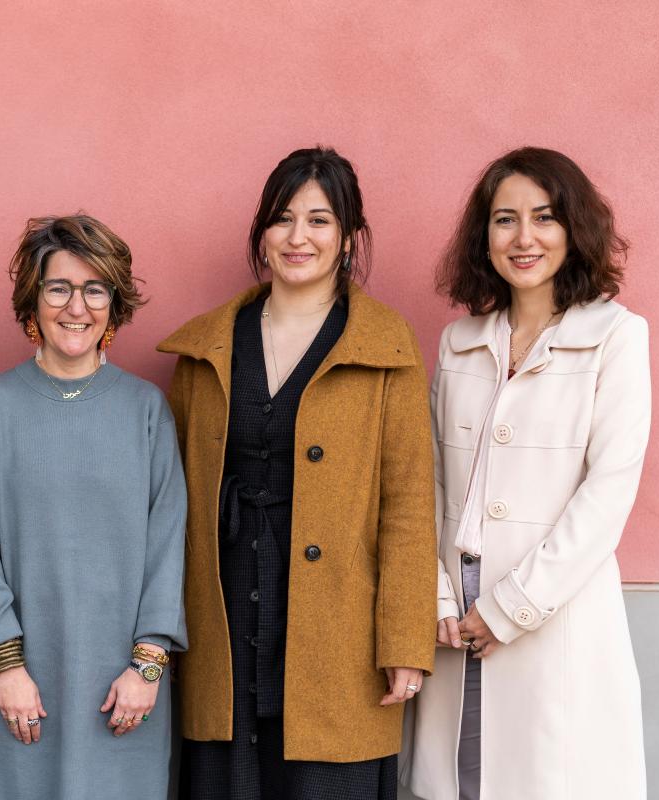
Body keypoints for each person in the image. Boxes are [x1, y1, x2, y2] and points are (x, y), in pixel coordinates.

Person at [157, 147, 435, 800]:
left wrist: (405, 640)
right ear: (261, 233)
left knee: (324, 781)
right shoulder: (206, 348)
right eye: (283, 219)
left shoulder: (385, 346)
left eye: (319, 220)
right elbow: (167, 503)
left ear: (347, 239)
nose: (298, 237)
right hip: (224, 608)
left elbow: (408, 505)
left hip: (339, 621)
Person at [404, 147, 649, 800]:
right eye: (505, 219)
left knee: (547, 778)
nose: (524, 237)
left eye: (544, 217)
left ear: (573, 228)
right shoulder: (460, 340)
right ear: (483, 236)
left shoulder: (616, 336)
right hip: (457, 611)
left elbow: (609, 490)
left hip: (552, 608)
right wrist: (432, 593)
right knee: (458, 782)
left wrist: (513, 606)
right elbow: (425, 480)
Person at [0, 214, 187, 800]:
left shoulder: (147, 410)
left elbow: (168, 542)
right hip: (19, 681)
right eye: (58, 287)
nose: (75, 307)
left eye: (94, 289)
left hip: (124, 685)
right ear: (33, 299)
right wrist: (5, 663)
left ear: (114, 303)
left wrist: (148, 666)